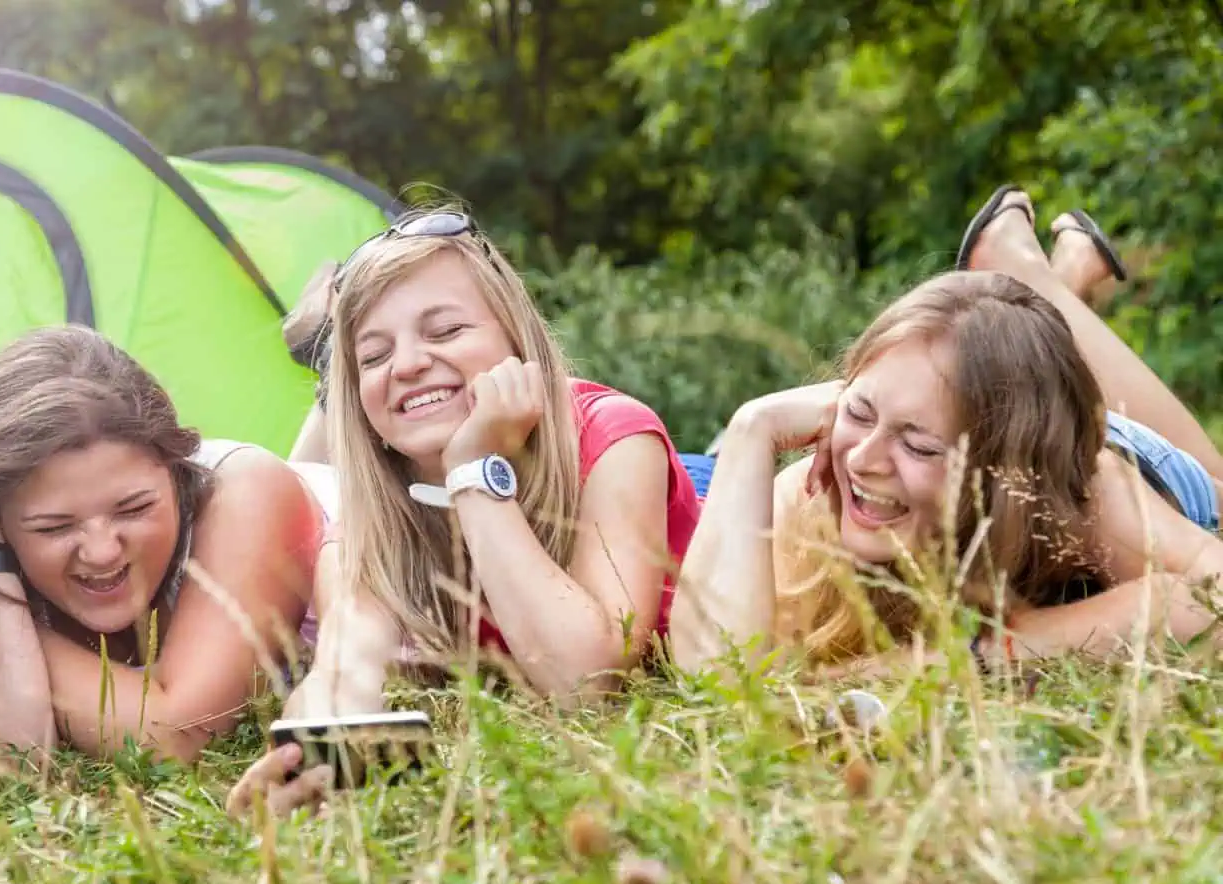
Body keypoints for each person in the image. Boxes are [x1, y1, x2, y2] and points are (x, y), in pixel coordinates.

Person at [226, 207, 703, 817]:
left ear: (516, 338)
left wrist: (475, 471)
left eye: (445, 331)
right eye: (373, 357)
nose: (406, 364)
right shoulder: (373, 519)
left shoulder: (615, 440)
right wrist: (305, 758)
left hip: (678, 496)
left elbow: (586, 689)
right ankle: (330, 367)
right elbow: (344, 669)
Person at [670, 187, 1221, 677]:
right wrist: (751, 427)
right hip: (1019, 399)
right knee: (1010, 348)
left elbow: (1212, 594)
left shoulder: (1081, 493)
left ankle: (1029, 276)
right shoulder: (822, 486)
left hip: (1128, 453)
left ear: (1001, 470)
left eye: (918, 445)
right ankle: (1038, 284)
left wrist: (971, 655)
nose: (864, 459)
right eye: (858, 410)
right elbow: (717, 673)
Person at [0, 326, 336, 774]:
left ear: (176, 473)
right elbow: (18, 751)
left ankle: (332, 373)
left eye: (133, 509)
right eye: (54, 527)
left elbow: (172, 735)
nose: (102, 552)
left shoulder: (244, 490)